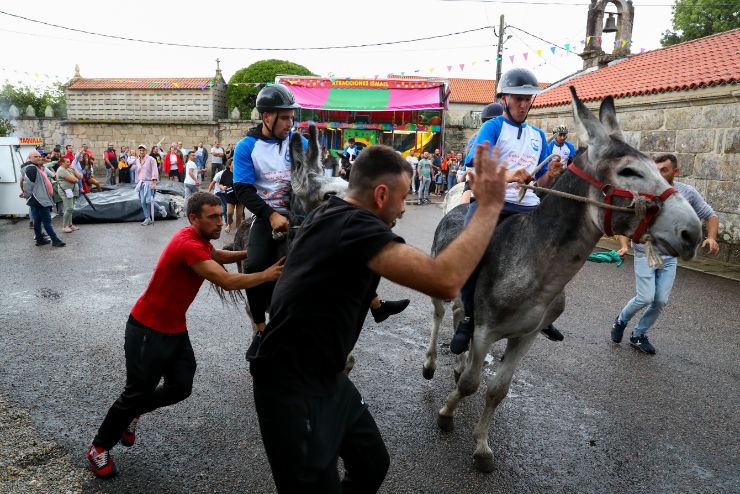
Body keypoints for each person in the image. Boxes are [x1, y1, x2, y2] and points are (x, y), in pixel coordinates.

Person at [247, 142, 508, 493]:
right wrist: (489, 206)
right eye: (402, 199)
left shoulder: (333, 214)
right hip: (289, 385)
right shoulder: (354, 226)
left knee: (372, 463)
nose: (403, 209)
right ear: (381, 194)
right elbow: (446, 281)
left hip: (328, 376)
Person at [86, 192, 285, 479]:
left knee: (181, 387)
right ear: (194, 218)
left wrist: (250, 254)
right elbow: (227, 281)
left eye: (221, 215)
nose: (221, 222)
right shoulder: (187, 244)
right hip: (146, 331)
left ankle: (132, 413)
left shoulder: (199, 240)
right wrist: (266, 275)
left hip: (175, 329)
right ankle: (99, 446)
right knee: (135, 394)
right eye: (213, 217)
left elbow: (218, 255)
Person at [449, 68, 565, 354]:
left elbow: (539, 184)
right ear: (504, 99)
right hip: (490, 204)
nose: (524, 104)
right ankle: (467, 318)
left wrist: (550, 174)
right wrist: (511, 175)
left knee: (556, 252)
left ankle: (543, 312)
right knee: (471, 254)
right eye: (518, 98)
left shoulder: (538, 136)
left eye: (528, 98)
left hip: (528, 208)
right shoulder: (492, 128)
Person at [611, 154, 720, 355]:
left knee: (660, 300)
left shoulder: (687, 193)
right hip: (645, 251)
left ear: (676, 172)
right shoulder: (642, 191)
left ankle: (638, 334)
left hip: (670, 255)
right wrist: (624, 246)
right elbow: (623, 221)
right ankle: (621, 320)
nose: (658, 174)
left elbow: (710, 215)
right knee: (645, 297)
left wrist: (712, 238)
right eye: (655, 169)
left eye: (664, 170)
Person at [19, 150, 65, 247]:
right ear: (30, 158)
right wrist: (27, 195)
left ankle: (39, 239)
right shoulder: (32, 169)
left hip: (39, 199)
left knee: (38, 221)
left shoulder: (38, 167)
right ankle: (55, 240)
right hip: (40, 200)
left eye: (39, 156)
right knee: (47, 221)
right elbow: (26, 184)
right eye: (36, 157)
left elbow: (26, 182)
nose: (39, 158)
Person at [128, 144, 163, 226]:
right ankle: (147, 218)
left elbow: (155, 170)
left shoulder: (151, 159)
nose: (141, 152)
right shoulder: (137, 160)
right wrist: (137, 182)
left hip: (149, 182)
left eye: (143, 150)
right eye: (140, 150)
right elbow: (137, 171)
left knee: (148, 201)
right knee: (143, 201)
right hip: (141, 183)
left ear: (146, 151)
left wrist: (154, 182)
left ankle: (161, 209)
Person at [55, 156, 81, 233]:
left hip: (71, 191)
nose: (69, 163)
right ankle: (65, 226)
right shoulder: (61, 170)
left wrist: (74, 169)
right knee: (69, 208)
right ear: (62, 163)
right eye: (67, 162)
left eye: (69, 161)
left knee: (71, 208)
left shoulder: (69, 168)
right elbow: (74, 179)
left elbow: (79, 177)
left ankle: (70, 225)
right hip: (65, 191)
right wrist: (75, 179)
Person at [219, 158, 243, 234]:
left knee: (239, 214)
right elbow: (220, 184)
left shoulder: (240, 172)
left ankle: (238, 228)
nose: (235, 164)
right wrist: (223, 187)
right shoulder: (225, 173)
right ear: (229, 165)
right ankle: (229, 225)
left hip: (240, 196)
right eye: (233, 163)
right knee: (229, 213)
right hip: (230, 197)